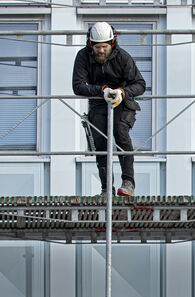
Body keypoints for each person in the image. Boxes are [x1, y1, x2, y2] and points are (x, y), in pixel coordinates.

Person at [72, 22, 146, 197]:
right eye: (97, 47)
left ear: (112, 44)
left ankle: (128, 182)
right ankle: (107, 189)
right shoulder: (83, 57)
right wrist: (101, 90)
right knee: (100, 144)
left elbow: (140, 84)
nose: (101, 51)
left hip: (122, 103)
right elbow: (77, 86)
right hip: (99, 103)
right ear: (91, 45)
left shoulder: (123, 57)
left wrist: (122, 92)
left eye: (104, 47)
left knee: (121, 134)